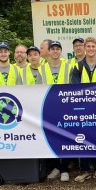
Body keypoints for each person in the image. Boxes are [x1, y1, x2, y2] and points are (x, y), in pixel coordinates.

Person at [71, 37, 96, 182]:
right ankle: (85, 170)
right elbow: (74, 88)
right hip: (83, 108)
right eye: (89, 46)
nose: (91, 49)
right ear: (85, 48)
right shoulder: (77, 67)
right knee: (82, 138)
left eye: (93, 46)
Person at [41, 40, 71, 182]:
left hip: (64, 107)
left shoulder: (67, 67)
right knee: (51, 137)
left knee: (64, 137)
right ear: (49, 51)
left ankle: (65, 169)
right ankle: (55, 167)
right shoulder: (43, 68)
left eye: (57, 49)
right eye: (52, 49)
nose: (55, 51)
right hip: (48, 107)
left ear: (60, 51)